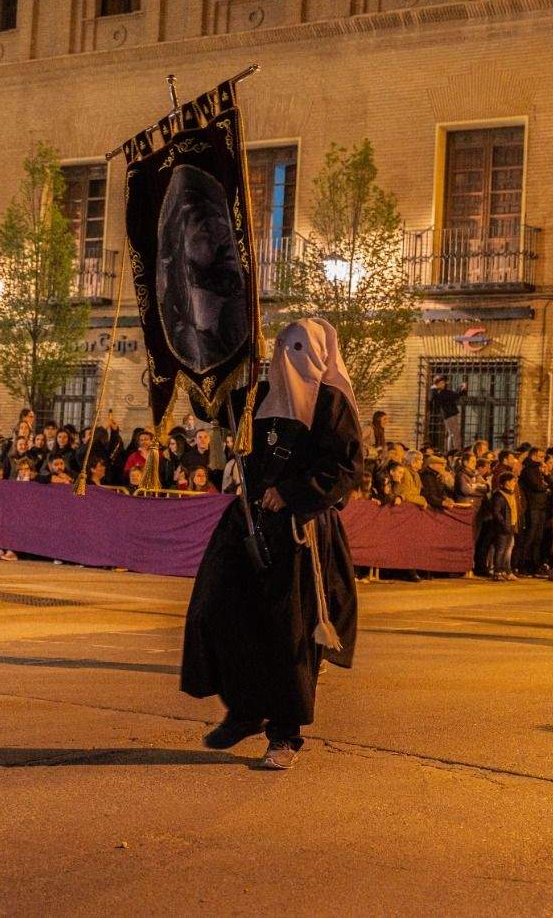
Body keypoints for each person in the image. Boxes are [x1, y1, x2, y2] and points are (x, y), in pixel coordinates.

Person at [182, 318, 362, 770]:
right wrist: (200, 354)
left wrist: (293, 492)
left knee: (290, 632)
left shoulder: (332, 402)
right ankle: (243, 710)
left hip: (300, 532)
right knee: (219, 610)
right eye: (284, 345)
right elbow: (211, 408)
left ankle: (284, 734)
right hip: (247, 520)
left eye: (299, 347)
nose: (289, 355)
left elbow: (343, 468)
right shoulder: (256, 398)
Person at [474, 471, 519, 580]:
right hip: (502, 527)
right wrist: (504, 523)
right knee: (500, 549)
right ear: (507, 482)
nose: (515, 483)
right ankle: (497, 572)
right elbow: (496, 512)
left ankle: (505, 570)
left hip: (511, 525)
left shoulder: (510, 494)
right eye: (513, 481)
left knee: (508, 549)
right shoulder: (499, 495)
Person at [428, 376, 468, 451]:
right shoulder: (438, 392)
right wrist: (462, 389)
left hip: (450, 414)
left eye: (443, 382)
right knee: (455, 434)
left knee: (452, 434)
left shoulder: (442, 391)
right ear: (437, 384)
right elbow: (454, 395)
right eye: (441, 383)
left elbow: (453, 394)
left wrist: (461, 388)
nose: (443, 384)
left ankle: (452, 450)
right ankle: (456, 451)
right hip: (449, 415)